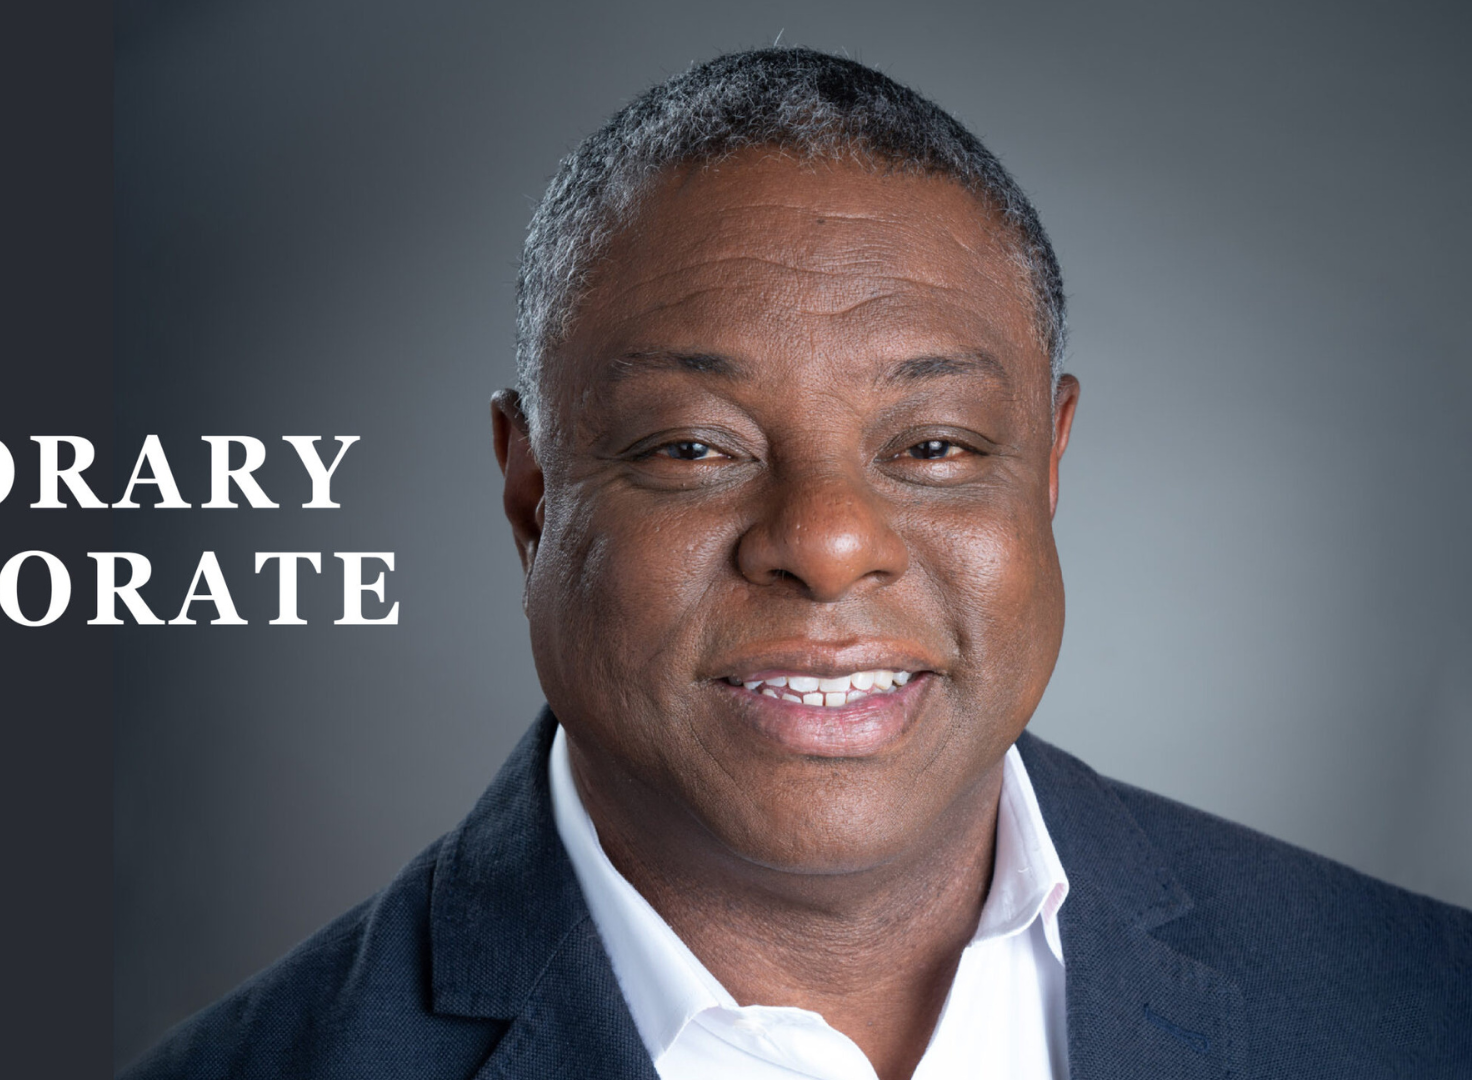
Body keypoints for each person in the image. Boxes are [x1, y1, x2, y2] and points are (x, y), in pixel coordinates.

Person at [122, 48, 1470, 1080]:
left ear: (1049, 466)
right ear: (531, 491)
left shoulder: (1420, 1007)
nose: (826, 545)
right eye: (693, 450)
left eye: (936, 444)